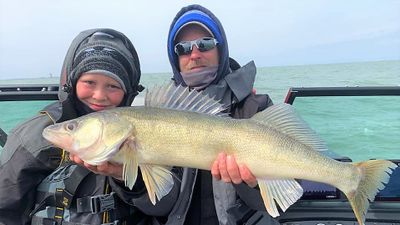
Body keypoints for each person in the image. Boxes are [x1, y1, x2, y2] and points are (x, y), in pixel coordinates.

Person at [0, 28, 178, 225]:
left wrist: (127, 179)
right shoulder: (32, 138)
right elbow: (5, 207)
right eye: (89, 82)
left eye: (113, 86)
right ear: (73, 82)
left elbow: (166, 207)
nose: (100, 95)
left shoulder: (147, 130)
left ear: (128, 92)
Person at [164, 4, 276, 225]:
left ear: (221, 50)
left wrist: (253, 184)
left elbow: (283, 198)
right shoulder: (162, 113)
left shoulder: (256, 108)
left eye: (205, 44)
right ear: (175, 58)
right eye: (183, 48)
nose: (194, 54)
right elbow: (158, 203)